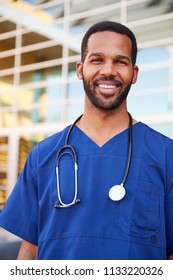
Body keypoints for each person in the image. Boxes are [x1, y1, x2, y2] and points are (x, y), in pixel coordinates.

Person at [0, 21, 173, 260]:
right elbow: (30, 250)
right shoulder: (43, 155)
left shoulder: (165, 155)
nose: (109, 71)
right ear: (80, 69)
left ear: (134, 74)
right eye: (97, 59)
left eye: (120, 61)